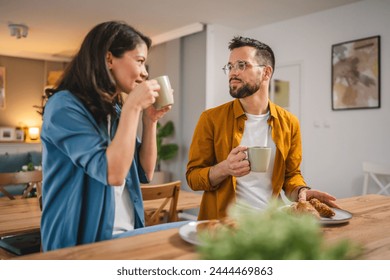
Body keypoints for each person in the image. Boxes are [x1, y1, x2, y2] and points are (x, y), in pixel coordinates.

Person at [40, 21, 172, 251]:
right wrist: (132, 106)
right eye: (140, 61)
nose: (145, 72)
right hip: (80, 241)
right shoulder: (63, 106)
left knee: (194, 233)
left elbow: (145, 171)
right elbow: (112, 173)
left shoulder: (114, 110)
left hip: (127, 232)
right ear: (109, 59)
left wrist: (149, 121)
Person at [186, 36, 338, 220]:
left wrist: (302, 192)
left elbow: (291, 175)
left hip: (271, 225)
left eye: (242, 65)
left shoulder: (289, 122)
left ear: (266, 73)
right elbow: (193, 178)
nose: (233, 72)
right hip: (224, 226)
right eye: (230, 66)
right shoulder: (210, 119)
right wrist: (225, 168)